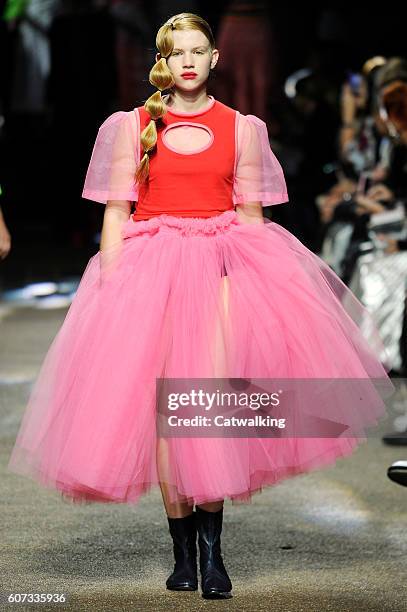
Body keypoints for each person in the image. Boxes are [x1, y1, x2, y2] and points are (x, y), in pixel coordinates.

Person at [7, 12, 395, 600]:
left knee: (204, 407)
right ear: (165, 61)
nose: (189, 61)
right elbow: (115, 213)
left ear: (215, 59)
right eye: (178, 52)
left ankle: (213, 556)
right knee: (168, 419)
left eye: (199, 51)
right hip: (148, 272)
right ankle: (183, 554)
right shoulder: (131, 125)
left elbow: (252, 221)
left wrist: (246, 291)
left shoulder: (243, 128)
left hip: (219, 271)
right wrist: (112, 287)